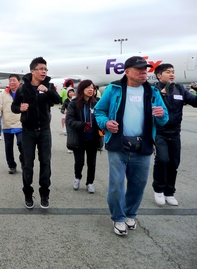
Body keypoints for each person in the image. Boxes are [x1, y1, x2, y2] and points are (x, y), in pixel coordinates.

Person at [94, 56, 168, 236]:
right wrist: (106, 123)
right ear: (127, 72)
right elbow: (99, 110)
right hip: (118, 144)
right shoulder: (114, 89)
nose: (145, 72)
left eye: (146, 69)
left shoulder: (153, 92)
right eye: (140, 69)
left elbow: (164, 118)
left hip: (143, 145)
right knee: (116, 184)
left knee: (138, 184)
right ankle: (118, 218)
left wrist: (160, 115)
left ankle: (130, 213)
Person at [11, 57, 61, 209]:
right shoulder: (22, 88)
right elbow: (14, 107)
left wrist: (49, 91)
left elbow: (58, 100)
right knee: (28, 164)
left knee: (45, 163)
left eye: (46, 69)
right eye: (41, 69)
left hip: (44, 131)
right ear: (32, 71)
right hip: (28, 132)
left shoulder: (49, 85)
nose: (44, 72)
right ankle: (27, 193)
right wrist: (21, 108)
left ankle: (44, 194)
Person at [152, 64, 197, 206]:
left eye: (173, 72)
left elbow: (194, 102)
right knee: (163, 159)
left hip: (175, 133)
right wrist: (162, 93)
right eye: (167, 72)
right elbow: (149, 105)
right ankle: (158, 190)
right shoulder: (154, 89)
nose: (172, 74)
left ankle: (169, 192)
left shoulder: (180, 89)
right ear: (159, 75)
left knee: (174, 162)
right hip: (160, 132)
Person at [66, 80, 102, 194]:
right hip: (79, 139)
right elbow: (69, 120)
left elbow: (102, 116)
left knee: (92, 163)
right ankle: (77, 178)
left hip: (93, 138)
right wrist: (81, 125)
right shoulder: (74, 103)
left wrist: (102, 126)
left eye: (92, 88)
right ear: (81, 90)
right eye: (88, 88)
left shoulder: (97, 102)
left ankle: (90, 182)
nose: (91, 90)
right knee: (79, 162)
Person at [0, 74, 23, 174]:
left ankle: (24, 162)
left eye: (14, 80)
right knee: (8, 147)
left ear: (19, 82)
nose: (11, 82)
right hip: (7, 125)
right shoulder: (3, 94)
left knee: (21, 143)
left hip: (21, 124)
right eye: (10, 80)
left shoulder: (24, 92)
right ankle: (12, 166)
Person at [61, 87, 76, 153]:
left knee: (76, 133)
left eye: (72, 92)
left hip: (76, 118)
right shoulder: (66, 100)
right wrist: (63, 111)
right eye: (69, 92)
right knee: (69, 133)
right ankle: (69, 147)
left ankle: (76, 146)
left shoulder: (76, 100)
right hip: (69, 118)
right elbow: (62, 108)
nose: (71, 93)